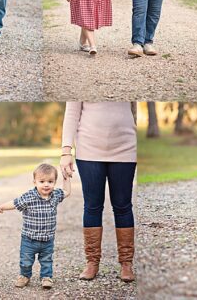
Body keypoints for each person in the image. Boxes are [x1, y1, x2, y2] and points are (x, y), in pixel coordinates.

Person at [60, 102, 138, 282]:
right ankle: (92, 263)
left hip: (126, 148)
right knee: (92, 206)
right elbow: (72, 112)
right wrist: (66, 151)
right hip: (89, 150)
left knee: (123, 206)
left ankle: (127, 263)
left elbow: (134, 108)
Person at [0, 163, 71, 289]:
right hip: (29, 239)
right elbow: (15, 203)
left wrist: (66, 178)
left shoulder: (55, 195)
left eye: (50, 181)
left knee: (46, 260)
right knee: (26, 261)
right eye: (42, 181)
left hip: (47, 239)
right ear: (35, 182)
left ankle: (46, 277)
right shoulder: (29, 196)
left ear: (55, 182)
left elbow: (67, 191)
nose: (46, 184)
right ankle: (24, 276)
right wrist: (1, 207)